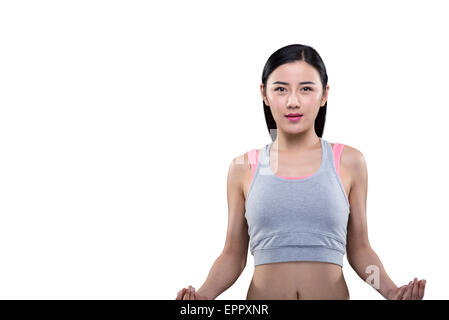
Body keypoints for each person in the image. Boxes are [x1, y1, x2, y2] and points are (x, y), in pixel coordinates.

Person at [176, 44, 426, 300]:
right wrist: (203, 296)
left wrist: (391, 291)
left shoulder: (350, 162)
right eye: (281, 89)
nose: (293, 101)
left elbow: (360, 250)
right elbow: (232, 256)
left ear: (324, 94)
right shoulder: (243, 167)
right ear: (264, 93)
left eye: (306, 89)